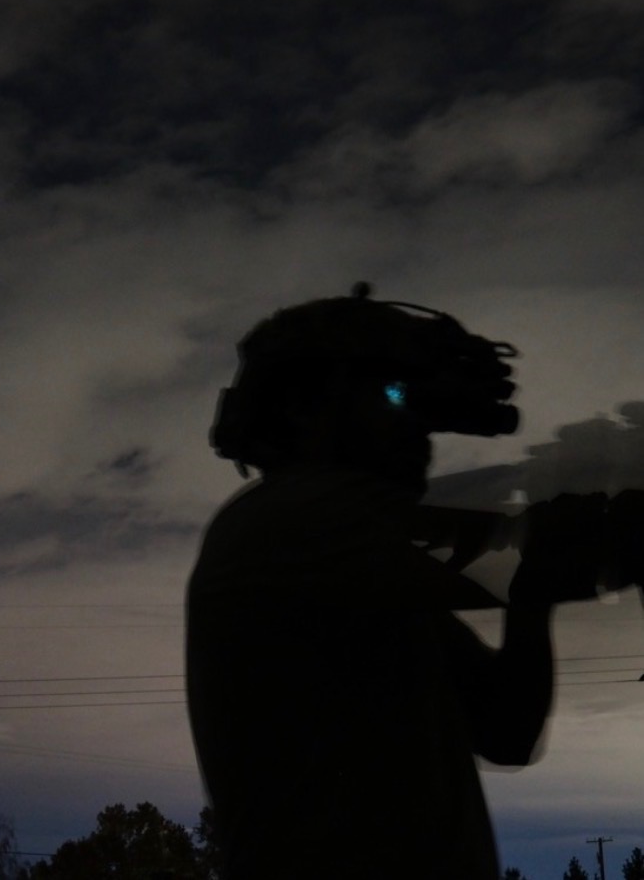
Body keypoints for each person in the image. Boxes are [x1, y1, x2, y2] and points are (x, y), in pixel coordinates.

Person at [186, 287, 584, 879]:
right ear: (304, 407)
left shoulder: (366, 573)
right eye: (393, 396)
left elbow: (508, 729)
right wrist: (573, 517)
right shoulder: (287, 522)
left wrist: (539, 581)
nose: (419, 432)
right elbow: (525, 556)